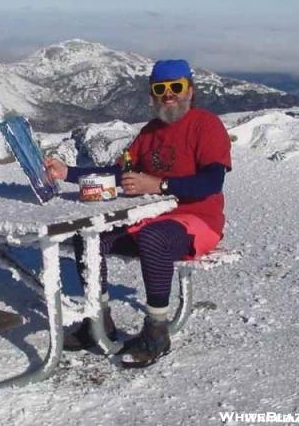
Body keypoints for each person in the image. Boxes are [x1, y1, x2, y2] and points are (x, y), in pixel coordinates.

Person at [45, 59, 232, 368]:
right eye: (161, 89)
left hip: (198, 220)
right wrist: (67, 172)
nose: (168, 95)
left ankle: (156, 331)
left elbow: (212, 181)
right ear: (152, 94)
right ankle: (98, 322)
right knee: (90, 235)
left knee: (154, 237)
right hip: (151, 216)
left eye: (176, 87)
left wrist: (160, 184)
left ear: (191, 91)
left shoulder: (206, 125)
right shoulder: (148, 133)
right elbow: (117, 174)